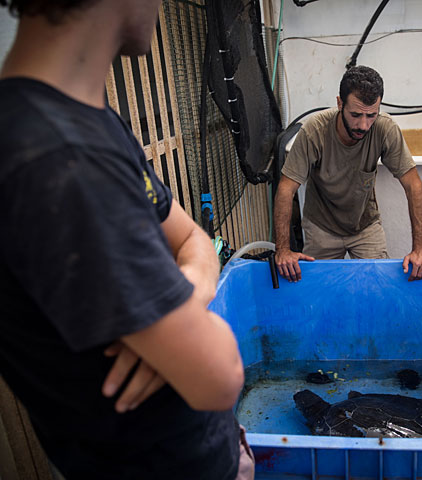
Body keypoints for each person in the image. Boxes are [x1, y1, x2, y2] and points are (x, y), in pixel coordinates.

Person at [0, 1, 254, 479]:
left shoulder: (90, 120)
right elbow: (219, 376)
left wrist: (183, 304)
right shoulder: (59, 156)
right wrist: (188, 331)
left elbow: (195, 240)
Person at [274, 65, 422, 282]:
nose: (363, 125)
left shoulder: (385, 128)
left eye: (371, 115)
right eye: (356, 114)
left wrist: (421, 248)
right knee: (321, 290)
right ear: (340, 103)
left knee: (377, 286)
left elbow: (413, 185)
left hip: (365, 226)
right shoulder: (314, 131)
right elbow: (286, 188)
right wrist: (283, 250)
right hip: (321, 226)